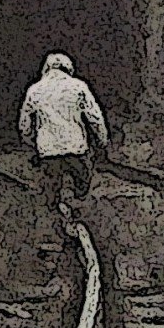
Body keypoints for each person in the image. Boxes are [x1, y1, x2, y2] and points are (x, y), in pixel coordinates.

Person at [18, 52, 109, 219]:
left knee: (51, 193)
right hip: (76, 147)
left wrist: (30, 142)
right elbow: (95, 117)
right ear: (68, 68)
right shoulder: (79, 86)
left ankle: (56, 225)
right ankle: (83, 218)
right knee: (82, 187)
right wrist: (102, 138)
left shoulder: (34, 90)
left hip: (48, 151)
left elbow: (24, 124)